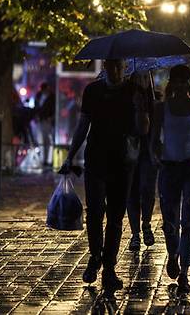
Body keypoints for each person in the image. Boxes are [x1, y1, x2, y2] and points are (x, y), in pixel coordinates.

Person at [60, 59, 149, 291]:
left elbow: (144, 129)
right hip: (96, 160)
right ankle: (95, 257)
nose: (117, 71)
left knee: (116, 218)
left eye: (120, 67)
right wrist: (70, 156)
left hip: (124, 162)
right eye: (112, 66)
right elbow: (83, 125)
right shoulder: (93, 91)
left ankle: (108, 267)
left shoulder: (134, 91)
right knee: (95, 213)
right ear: (105, 67)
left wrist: (141, 106)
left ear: (125, 68)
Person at [150, 65, 190, 295]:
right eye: (175, 81)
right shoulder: (161, 108)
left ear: (188, 84)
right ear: (170, 84)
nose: (178, 86)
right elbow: (154, 139)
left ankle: (184, 270)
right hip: (168, 168)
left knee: (188, 221)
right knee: (169, 221)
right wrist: (154, 156)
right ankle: (173, 254)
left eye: (182, 82)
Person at [126, 73, 158, 252]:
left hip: (147, 150)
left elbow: (154, 128)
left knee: (147, 189)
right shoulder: (126, 99)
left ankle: (146, 224)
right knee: (132, 192)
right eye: (138, 77)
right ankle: (135, 233)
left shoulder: (153, 100)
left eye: (145, 77)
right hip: (130, 151)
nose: (141, 80)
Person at [35, 82, 55, 167]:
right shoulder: (39, 95)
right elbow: (36, 107)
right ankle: (43, 160)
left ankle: (48, 160)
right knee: (41, 140)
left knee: (49, 140)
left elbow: (54, 108)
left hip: (47, 120)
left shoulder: (52, 97)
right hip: (40, 120)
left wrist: (51, 117)